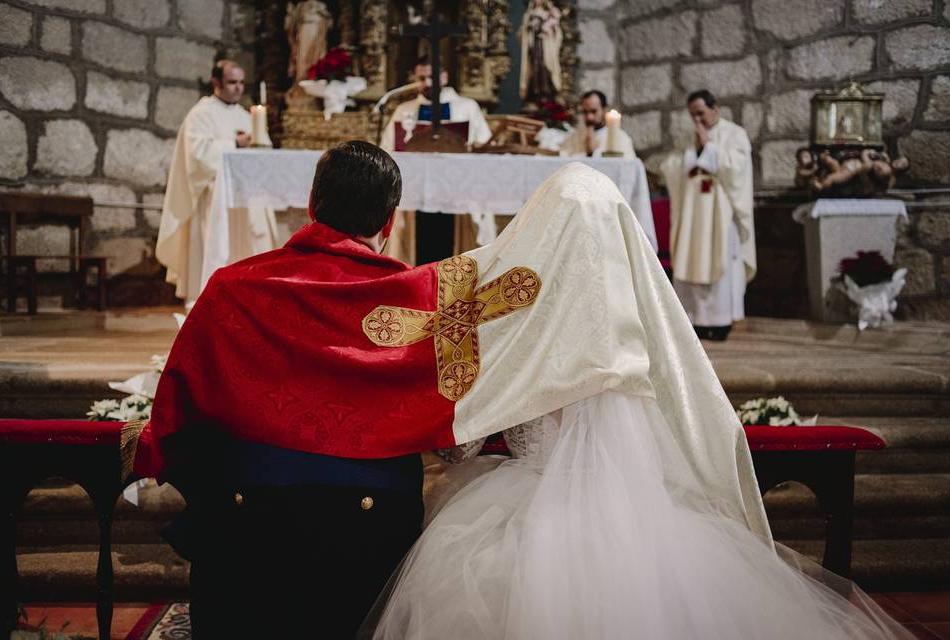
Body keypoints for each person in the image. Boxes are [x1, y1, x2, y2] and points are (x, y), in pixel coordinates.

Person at [366, 163, 911, 640]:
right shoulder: (643, 325)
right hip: (640, 515)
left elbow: (465, 441)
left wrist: (447, 446)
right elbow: (686, 418)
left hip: (521, 508)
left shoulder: (511, 314)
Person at [135, 142, 426, 638]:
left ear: (312, 204)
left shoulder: (232, 287)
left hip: (250, 518)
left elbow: (178, 410)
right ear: (390, 221)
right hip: (372, 526)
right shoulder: (418, 297)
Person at [156, 60, 277, 306]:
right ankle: (209, 299)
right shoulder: (201, 114)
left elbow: (263, 154)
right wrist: (234, 144)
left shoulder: (247, 116)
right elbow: (197, 156)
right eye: (232, 82)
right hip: (214, 199)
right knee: (217, 250)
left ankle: (248, 298)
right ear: (216, 83)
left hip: (246, 199)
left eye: (242, 83)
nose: (238, 88)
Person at [661, 89, 755, 341]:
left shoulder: (735, 134)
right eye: (692, 115)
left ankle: (720, 321)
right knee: (690, 258)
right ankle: (693, 320)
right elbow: (669, 166)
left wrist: (709, 149)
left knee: (719, 261)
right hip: (692, 213)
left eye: (701, 114)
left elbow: (738, 170)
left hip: (720, 214)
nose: (697, 121)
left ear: (716, 109)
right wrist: (689, 158)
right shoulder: (687, 137)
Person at [380, 57, 492, 266]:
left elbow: (483, 145)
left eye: (432, 77)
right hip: (415, 189)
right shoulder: (404, 109)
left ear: (445, 77)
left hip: (458, 187)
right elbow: (387, 149)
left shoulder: (467, 107)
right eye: (422, 78)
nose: (427, 83)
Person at [560, 89, 636, 159]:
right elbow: (562, 155)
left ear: (605, 109)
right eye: (585, 112)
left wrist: (594, 152)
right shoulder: (576, 136)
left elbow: (627, 165)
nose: (589, 117)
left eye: (593, 111)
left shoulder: (621, 137)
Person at [520, 0, 563, 102]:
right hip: (535, 46)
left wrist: (547, 29)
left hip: (546, 46)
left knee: (545, 66)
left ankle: (546, 91)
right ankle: (535, 91)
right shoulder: (529, 13)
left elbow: (556, 32)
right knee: (534, 68)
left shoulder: (551, 12)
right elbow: (524, 32)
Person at [285, 0, 332, 86]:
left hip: (317, 25)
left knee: (317, 56)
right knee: (303, 57)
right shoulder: (302, 7)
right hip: (305, 25)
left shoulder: (320, 7)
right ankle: (302, 82)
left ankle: (313, 81)